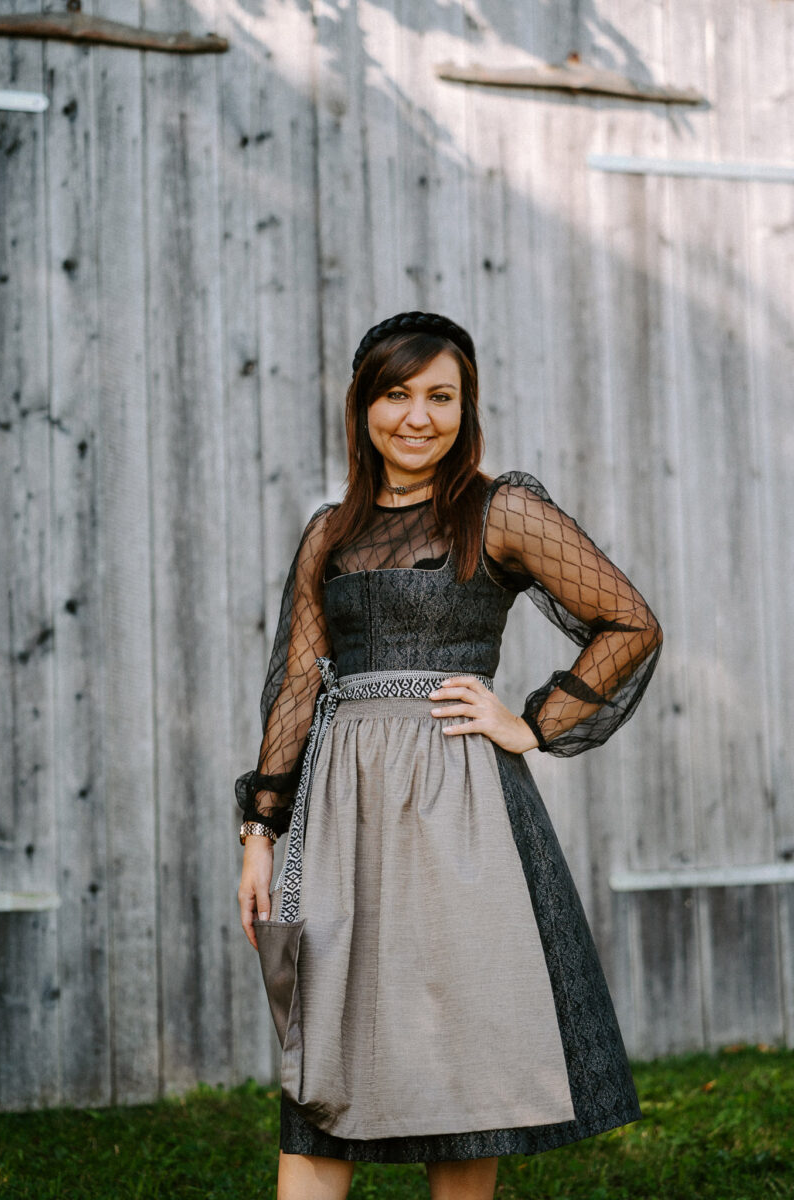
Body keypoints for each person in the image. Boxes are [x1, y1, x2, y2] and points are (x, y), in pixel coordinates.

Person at [235, 311, 663, 1200]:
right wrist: (259, 833)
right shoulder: (328, 532)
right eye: (397, 395)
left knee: (467, 1044)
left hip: (460, 806)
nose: (418, 417)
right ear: (363, 407)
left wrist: (533, 723)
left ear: (467, 409)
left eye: (441, 396)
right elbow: (298, 685)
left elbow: (629, 622)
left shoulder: (500, 510)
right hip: (343, 816)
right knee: (328, 1037)